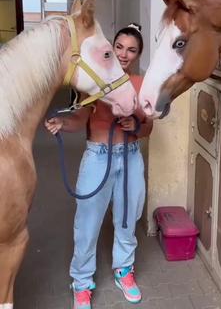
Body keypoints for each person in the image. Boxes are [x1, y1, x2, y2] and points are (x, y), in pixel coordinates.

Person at [45, 23, 153, 309]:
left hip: (130, 155)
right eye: (119, 47)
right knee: (87, 224)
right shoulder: (94, 80)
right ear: (111, 48)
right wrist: (62, 123)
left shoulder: (140, 85)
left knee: (128, 218)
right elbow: (81, 118)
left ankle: (124, 271)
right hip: (98, 156)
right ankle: (81, 284)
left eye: (131, 50)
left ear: (138, 54)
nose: (124, 54)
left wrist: (137, 124)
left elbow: (148, 128)